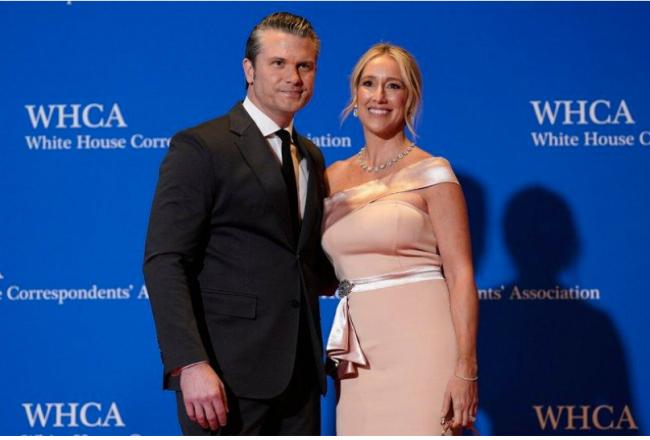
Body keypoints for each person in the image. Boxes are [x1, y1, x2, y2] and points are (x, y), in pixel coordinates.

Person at [143, 12, 335, 435]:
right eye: (278, 63)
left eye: (304, 65)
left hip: (301, 380)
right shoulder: (201, 147)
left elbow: (307, 263)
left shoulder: (311, 156)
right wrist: (189, 364)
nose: (294, 77)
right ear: (249, 69)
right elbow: (165, 261)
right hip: (225, 379)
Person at [322, 43, 479, 435]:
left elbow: (460, 274)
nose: (379, 96)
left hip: (422, 344)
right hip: (358, 354)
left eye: (393, 86)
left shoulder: (433, 172)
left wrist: (466, 368)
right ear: (355, 94)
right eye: (369, 84)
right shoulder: (330, 177)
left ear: (410, 98)